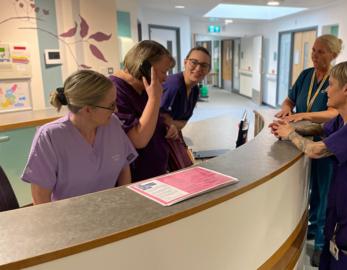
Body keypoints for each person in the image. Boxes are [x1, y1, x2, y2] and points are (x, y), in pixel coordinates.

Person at [270, 61, 347, 269]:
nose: (326, 90)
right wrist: (289, 127)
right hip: (341, 210)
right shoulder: (345, 119)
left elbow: (317, 150)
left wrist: (290, 134)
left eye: (331, 84)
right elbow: (319, 128)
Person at [22, 70, 137, 204]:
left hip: (109, 210)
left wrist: (124, 202)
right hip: (67, 218)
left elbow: (124, 167)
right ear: (87, 109)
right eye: (111, 105)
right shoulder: (50, 137)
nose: (116, 110)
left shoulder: (113, 124)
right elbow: (40, 197)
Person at [276, 34, 342, 265]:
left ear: (333, 55)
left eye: (321, 51)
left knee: (323, 193)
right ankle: (313, 227)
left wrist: (305, 114)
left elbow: (335, 113)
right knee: (307, 188)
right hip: (300, 141)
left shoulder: (338, 78)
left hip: (324, 143)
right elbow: (289, 100)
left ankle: (322, 245)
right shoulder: (305, 75)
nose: (314, 55)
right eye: (313, 50)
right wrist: (286, 111)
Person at [110, 40, 175, 182]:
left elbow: (153, 121)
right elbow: (138, 140)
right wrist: (154, 98)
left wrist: (169, 128)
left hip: (155, 173)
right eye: (164, 71)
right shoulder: (114, 92)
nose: (166, 78)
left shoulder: (144, 88)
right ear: (144, 67)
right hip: (136, 179)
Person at [161, 46, 211, 171]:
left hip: (174, 138)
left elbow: (183, 122)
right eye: (194, 62)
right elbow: (160, 119)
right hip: (159, 142)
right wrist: (171, 124)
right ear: (185, 62)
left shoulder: (195, 90)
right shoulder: (174, 85)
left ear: (208, 70)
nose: (198, 68)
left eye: (204, 65)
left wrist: (172, 124)